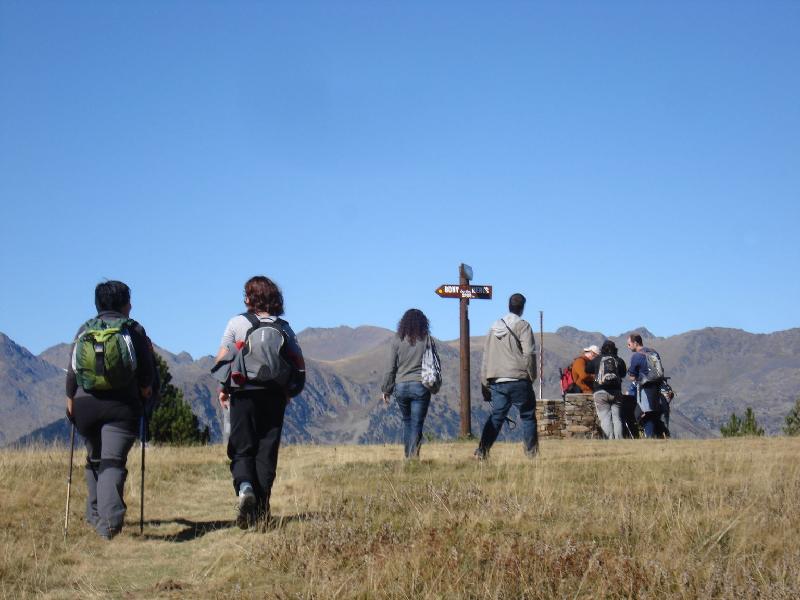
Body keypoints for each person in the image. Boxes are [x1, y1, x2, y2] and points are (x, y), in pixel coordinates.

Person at [65, 280, 155, 539]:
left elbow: (73, 370)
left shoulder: (85, 330)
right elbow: (147, 371)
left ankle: (94, 515)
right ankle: (110, 522)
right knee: (112, 462)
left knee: (94, 460)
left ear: (98, 304)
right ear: (126, 304)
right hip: (120, 406)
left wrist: (70, 399)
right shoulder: (133, 330)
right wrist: (145, 391)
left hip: (84, 405)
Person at [215, 275, 304, 528]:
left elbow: (222, 359)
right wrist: (290, 392)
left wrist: (224, 388)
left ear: (249, 298)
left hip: (243, 392)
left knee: (242, 447)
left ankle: (244, 488)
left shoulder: (237, 323)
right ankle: (262, 514)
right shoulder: (284, 327)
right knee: (267, 450)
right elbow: (298, 364)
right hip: (274, 395)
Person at [474, 293, 538, 459]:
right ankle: (531, 454)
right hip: (519, 379)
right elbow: (529, 353)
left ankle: (482, 451)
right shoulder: (523, 326)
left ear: (508, 306)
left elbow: (486, 357)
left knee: (497, 417)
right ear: (522, 308)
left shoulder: (493, 328)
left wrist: (484, 382)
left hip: (497, 380)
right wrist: (532, 375)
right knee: (528, 416)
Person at [381, 309, 438, 459]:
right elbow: (435, 363)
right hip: (420, 385)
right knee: (417, 424)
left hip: (401, 386)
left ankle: (408, 457)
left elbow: (390, 367)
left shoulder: (397, 340)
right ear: (423, 322)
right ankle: (413, 458)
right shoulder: (427, 339)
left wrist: (386, 389)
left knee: (407, 422)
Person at [626, 334, 666, 438]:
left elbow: (632, 377)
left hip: (645, 388)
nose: (628, 346)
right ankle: (661, 435)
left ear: (635, 343)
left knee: (645, 415)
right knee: (654, 414)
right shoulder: (653, 352)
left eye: (629, 343)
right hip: (657, 387)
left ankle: (649, 438)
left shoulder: (636, 356)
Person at [592, 340, 627, 439]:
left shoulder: (598, 359)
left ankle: (609, 440)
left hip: (600, 392)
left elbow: (587, 369)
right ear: (615, 349)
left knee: (605, 418)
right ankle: (619, 440)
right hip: (616, 392)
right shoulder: (619, 360)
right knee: (617, 418)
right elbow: (624, 374)